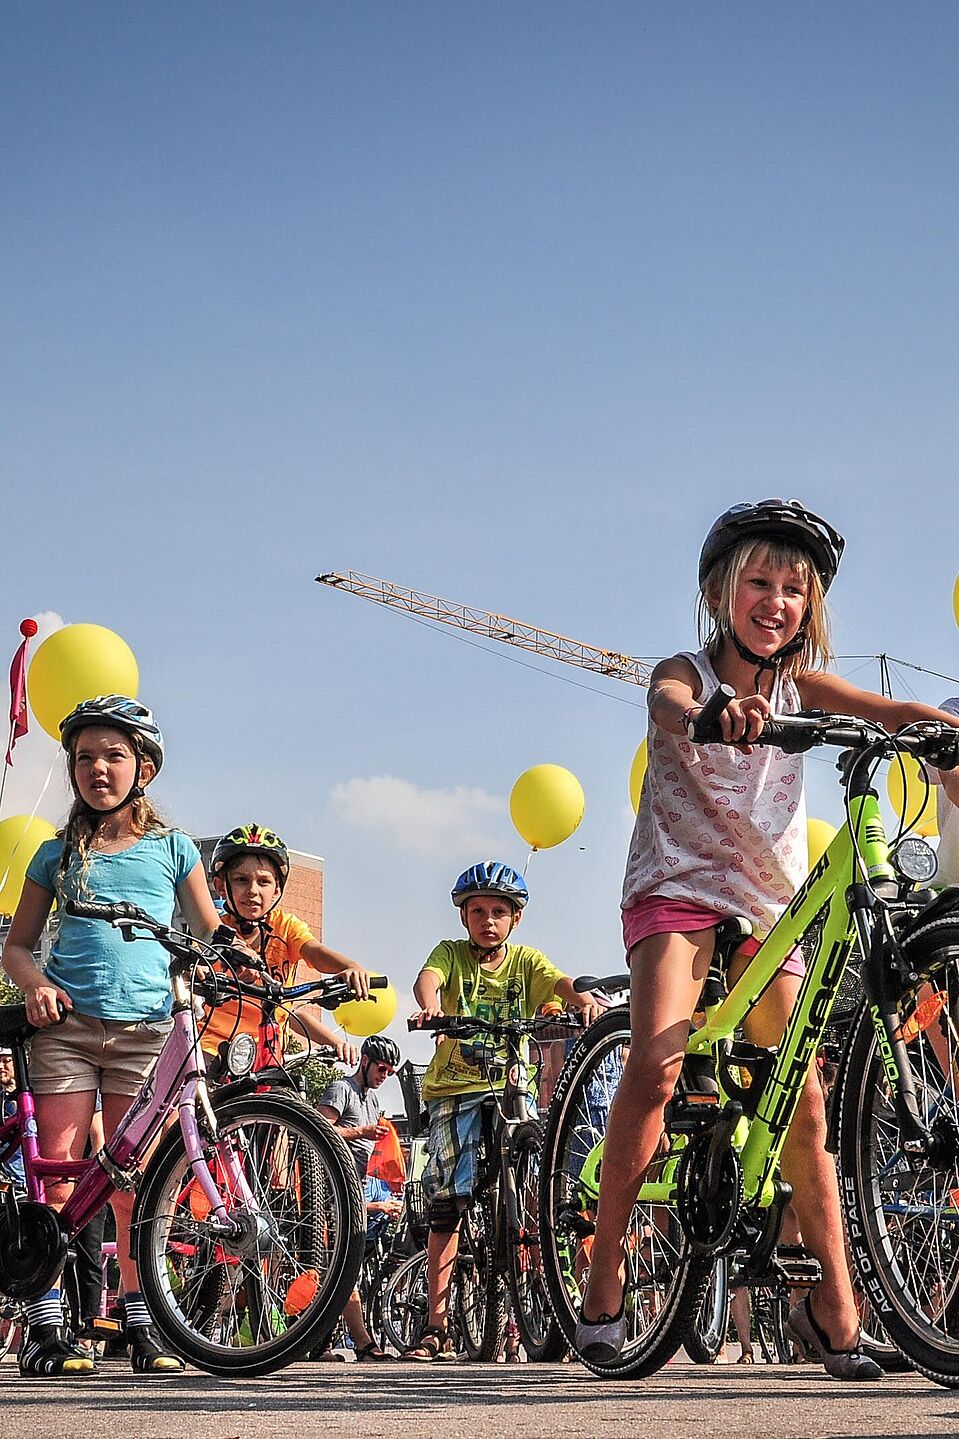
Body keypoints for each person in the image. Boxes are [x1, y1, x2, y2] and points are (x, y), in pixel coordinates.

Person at [575, 499, 959, 1381]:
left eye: (793, 590)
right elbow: (669, 702)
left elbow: (887, 706)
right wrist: (709, 713)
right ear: (719, 591)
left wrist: (940, 730)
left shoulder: (800, 688)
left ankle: (835, 1307)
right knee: (658, 1060)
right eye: (758, 582)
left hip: (765, 902)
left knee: (805, 1101)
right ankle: (603, 1269)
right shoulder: (684, 671)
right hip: (677, 886)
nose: (775, 601)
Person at [1, 694, 235, 1378]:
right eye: (84, 758)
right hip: (66, 1031)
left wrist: (229, 958)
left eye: (113, 756)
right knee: (60, 1174)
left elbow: (209, 931)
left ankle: (141, 1323)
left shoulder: (174, 849)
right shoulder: (55, 854)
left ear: (144, 769)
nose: (97, 769)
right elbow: (16, 947)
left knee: (135, 1185)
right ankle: (47, 1326)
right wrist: (34, 984)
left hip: (147, 1032)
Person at [407, 860, 601, 1361]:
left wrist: (585, 1001)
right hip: (455, 1088)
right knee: (448, 1203)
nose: (487, 921)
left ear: (515, 918)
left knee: (541, 1175)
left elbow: (560, 983)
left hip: (513, 1086)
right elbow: (428, 980)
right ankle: (436, 1324)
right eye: (477, 912)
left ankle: (541, 1265)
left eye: (498, 912)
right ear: (463, 916)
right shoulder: (451, 954)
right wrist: (431, 1008)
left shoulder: (526, 962)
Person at [203, 822, 369, 1065]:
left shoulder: (286, 927)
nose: (252, 890)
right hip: (212, 1049)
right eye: (241, 880)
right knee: (199, 1083)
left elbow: (314, 953)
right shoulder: (213, 929)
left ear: (277, 889)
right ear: (220, 886)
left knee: (290, 1088)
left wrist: (351, 966)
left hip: (268, 1054)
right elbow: (194, 967)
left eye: (263, 882)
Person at [318, 1034, 402, 1361]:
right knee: (342, 1266)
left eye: (390, 1072)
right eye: (381, 1069)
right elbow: (320, 1129)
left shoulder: (373, 1101)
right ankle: (363, 1343)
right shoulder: (342, 1089)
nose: (384, 1076)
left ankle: (322, 1343)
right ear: (364, 1061)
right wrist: (361, 1132)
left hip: (356, 1187)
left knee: (339, 1268)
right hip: (331, 1187)